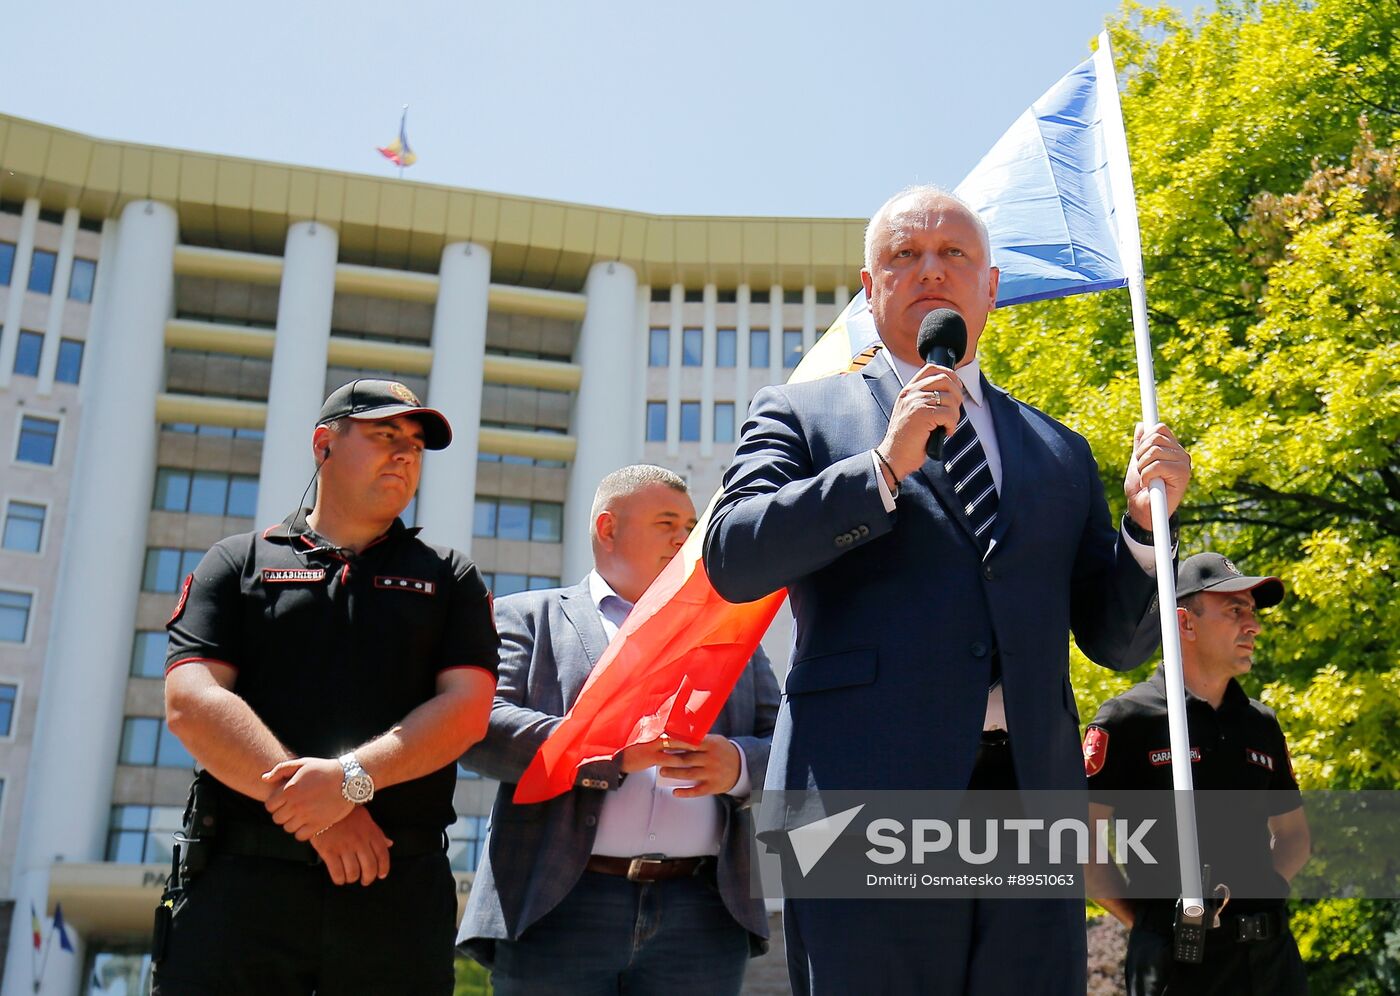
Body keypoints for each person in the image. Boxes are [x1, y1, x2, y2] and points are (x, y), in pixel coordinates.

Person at [702, 185, 1194, 995]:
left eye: (954, 255)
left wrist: (1145, 533)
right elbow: (733, 554)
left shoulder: (1059, 451)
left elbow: (1115, 640)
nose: (930, 271)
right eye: (904, 256)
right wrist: (882, 468)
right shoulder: (801, 415)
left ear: (991, 287)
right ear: (870, 289)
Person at [157, 379, 500, 995]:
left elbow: (467, 710)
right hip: (241, 884)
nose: (405, 454)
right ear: (324, 444)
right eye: (384, 435)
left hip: (395, 887)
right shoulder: (238, 563)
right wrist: (320, 815)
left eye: (416, 445)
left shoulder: (451, 577)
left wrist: (347, 783)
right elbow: (191, 703)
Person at [458, 464, 780, 996]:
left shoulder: (731, 635)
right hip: (560, 904)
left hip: (702, 913)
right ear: (608, 528)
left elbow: (788, 737)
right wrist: (614, 755)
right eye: (668, 522)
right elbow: (481, 726)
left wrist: (739, 766)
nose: (686, 538)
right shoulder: (528, 618)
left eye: (692, 525)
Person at [1084, 552, 1310, 995]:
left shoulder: (1260, 724)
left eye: (1252, 612)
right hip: (1176, 963)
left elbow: (1295, 837)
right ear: (1185, 623)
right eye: (1235, 611)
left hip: (1270, 961)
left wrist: (1263, 894)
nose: (1254, 626)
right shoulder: (1129, 719)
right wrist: (1151, 924)